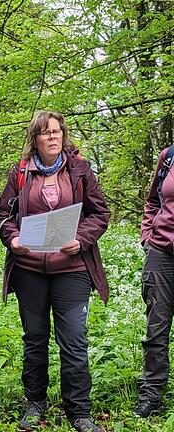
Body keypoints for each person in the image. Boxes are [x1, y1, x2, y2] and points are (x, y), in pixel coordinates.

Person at [0, 110, 110, 432]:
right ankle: (35, 404)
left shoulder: (80, 170)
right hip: (29, 268)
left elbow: (99, 213)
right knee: (34, 339)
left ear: (64, 135)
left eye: (57, 132)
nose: (53, 137)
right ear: (35, 138)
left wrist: (82, 239)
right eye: (46, 133)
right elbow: (2, 214)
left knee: (73, 340)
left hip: (71, 267)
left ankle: (80, 411)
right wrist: (12, 238)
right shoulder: (19, 172)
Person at [134, 139, 174, 418]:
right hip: (162, 251)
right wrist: (148, 236)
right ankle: (151, 393)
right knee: (157, 325)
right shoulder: (169, 157)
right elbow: (152, 200)